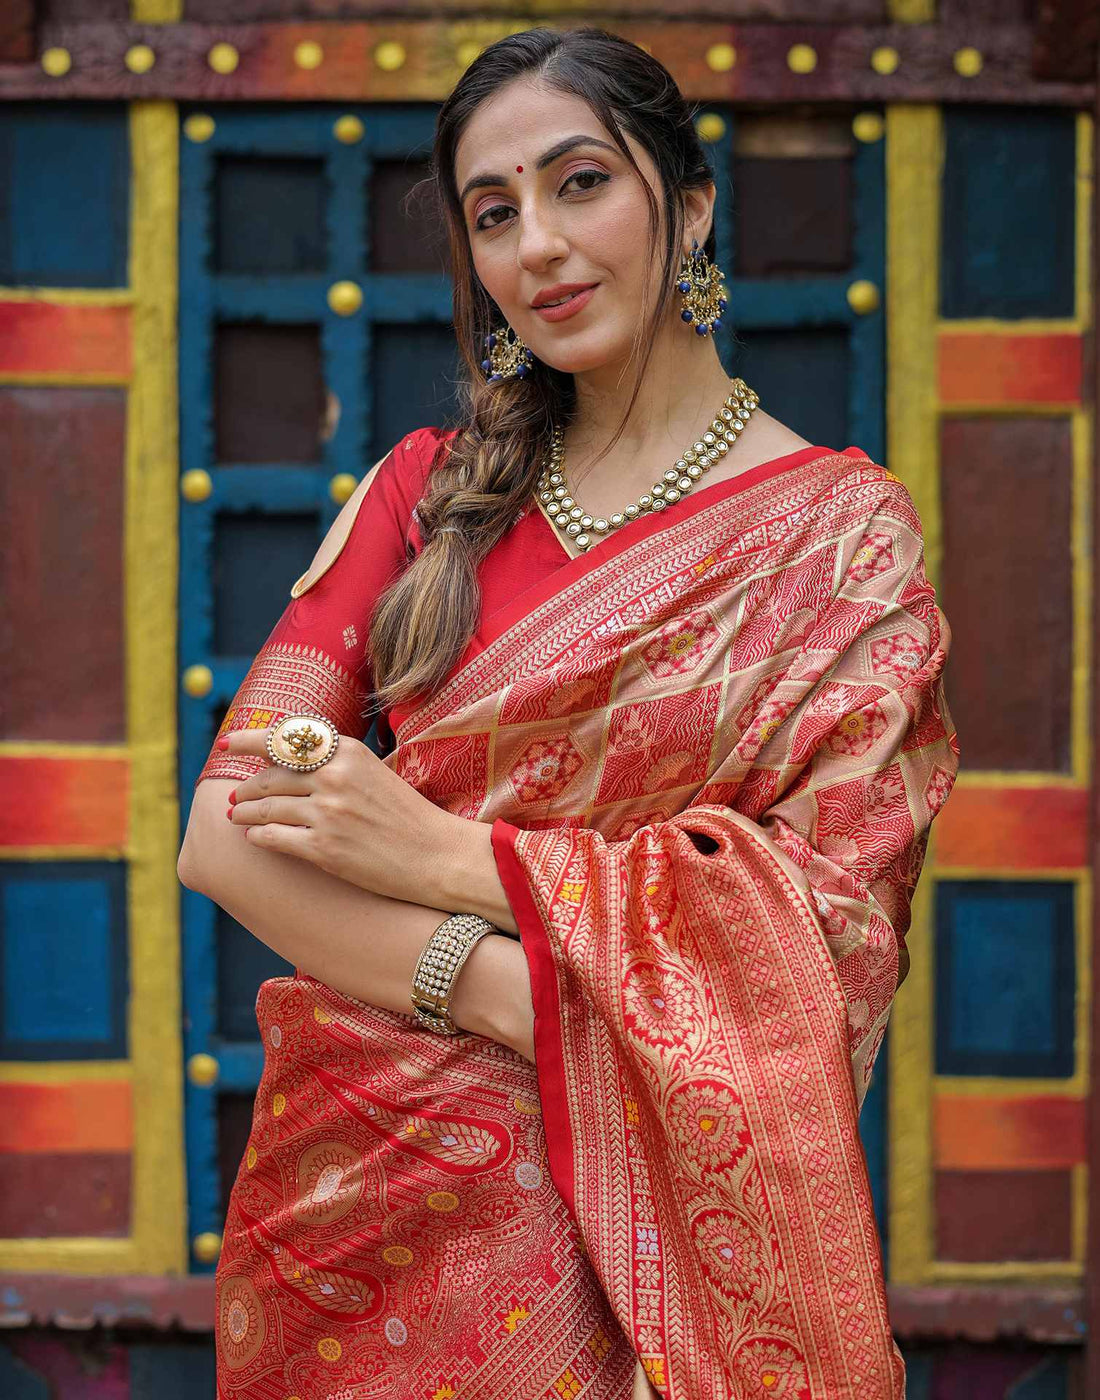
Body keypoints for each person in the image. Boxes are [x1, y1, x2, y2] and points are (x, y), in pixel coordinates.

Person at [178, 25, 959, 1400]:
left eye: (580, 182)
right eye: (495, 212)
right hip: (366, 1226)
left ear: (691, 206)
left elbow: (823, 950)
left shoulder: (843, 547)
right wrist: (531, 994)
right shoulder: (423, 495)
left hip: (656, 1252)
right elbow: (228, 838)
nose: (537, 243)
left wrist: (437, 863)